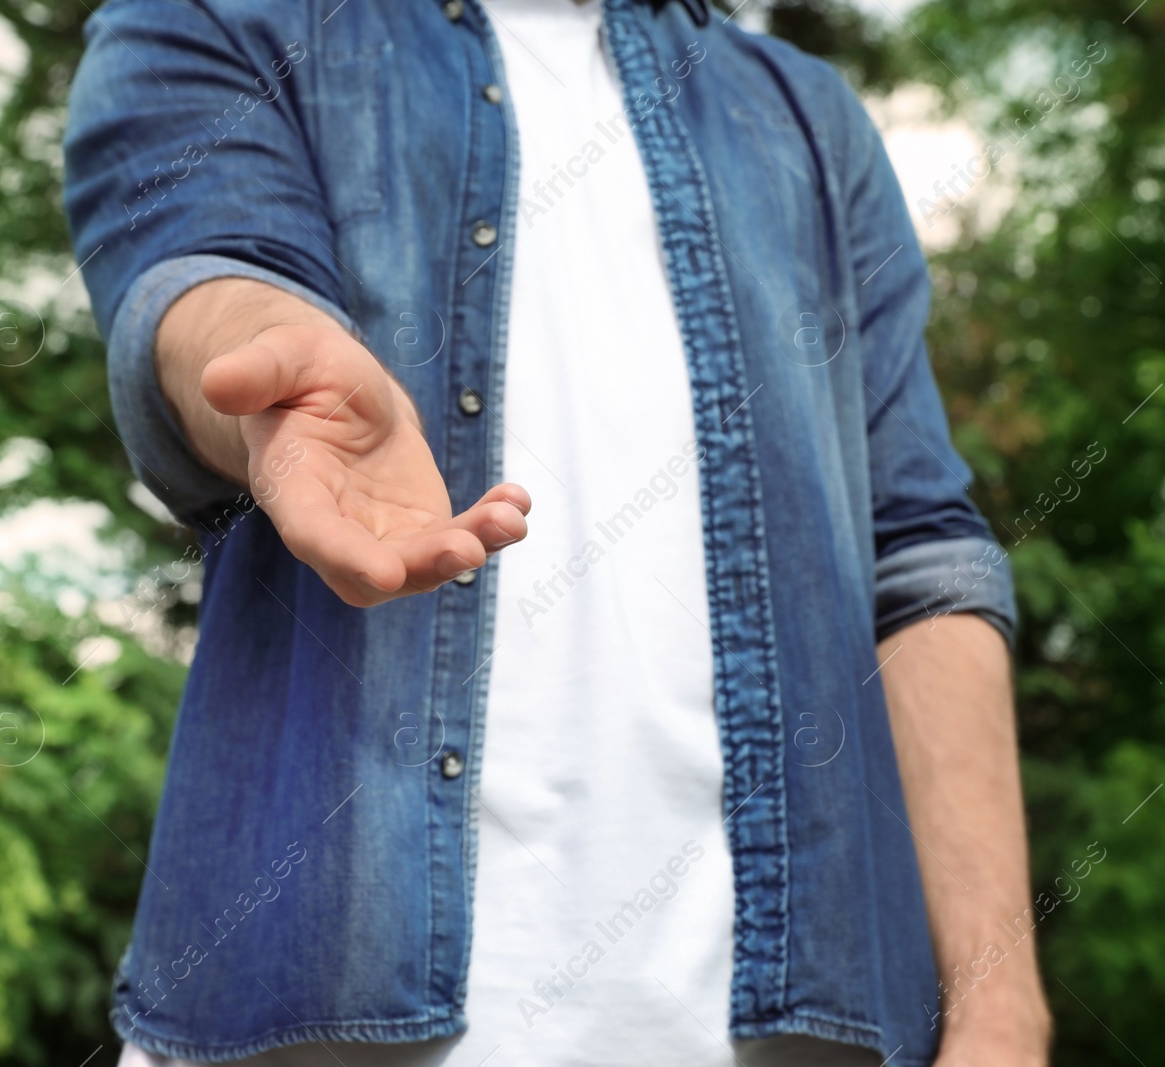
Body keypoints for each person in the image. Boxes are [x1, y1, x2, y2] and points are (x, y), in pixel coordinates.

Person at [62, 0, 1051, 1064]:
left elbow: (918, 556)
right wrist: (272, 353)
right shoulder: (217, 19)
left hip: (792, 1028)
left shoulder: (807, 118)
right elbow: (203, 270)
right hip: (311, 1016)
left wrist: (1000, 1010)